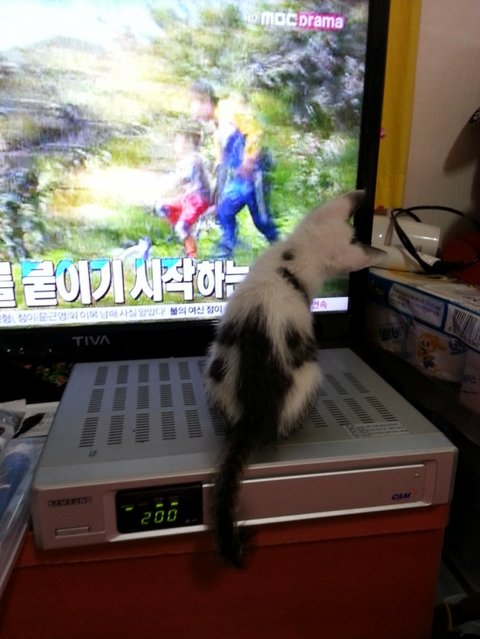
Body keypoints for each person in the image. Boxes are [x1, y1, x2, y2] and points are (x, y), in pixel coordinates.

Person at [190, 80, 278, 258]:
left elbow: (255, 131)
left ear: (206, 100)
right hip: (240, 179)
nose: (193, 110)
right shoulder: (216, 129)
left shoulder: (229, 109)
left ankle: (283, 250)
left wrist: (249, 159)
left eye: (195, 102)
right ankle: (227, 247)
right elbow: (221, 163)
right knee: (224, 210)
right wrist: (215, 195)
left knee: (262, 220)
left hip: (256, 173)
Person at [155, 124, 211, 259]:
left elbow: (184, 178)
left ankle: (192, 256)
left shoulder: (194, 159)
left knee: (181, 227)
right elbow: (175, 176)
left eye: (178, 141)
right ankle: (183, 237)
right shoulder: (186, 160)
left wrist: (168, 186)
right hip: (188, 197)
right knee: (162, 206)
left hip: (198, 199)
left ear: (189, 142)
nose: (176, 145)